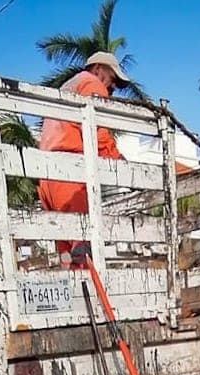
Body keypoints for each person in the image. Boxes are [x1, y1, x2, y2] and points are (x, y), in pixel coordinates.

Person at [38, 51, 127, 268]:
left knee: (68, 255)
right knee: (84, 251)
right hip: (69, 173)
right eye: (112, 79)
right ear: (98, 69)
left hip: (46, 178)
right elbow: (98, 132)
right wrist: (121, 166)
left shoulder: (68, 87)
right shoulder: (91, 83)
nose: (113, 87)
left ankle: (77, 300)